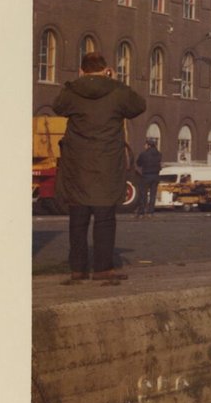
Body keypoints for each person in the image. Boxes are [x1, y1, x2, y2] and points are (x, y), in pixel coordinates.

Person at [50, 52, 146, 284]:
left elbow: (57, 106)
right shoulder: (116, 91)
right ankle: (103, 269)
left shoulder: (73, 91)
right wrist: (115, 80)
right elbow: (138, 106)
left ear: (82, 70)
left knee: (78, 219)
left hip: (78, 166)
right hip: (107, 165)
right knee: (105, 218)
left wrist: (77, 82)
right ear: (106, 69)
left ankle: (78, 270)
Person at [133, 137, 162, 218]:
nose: (144, 146)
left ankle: (141, 212)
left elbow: (138, 163)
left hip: (146, 176)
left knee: (143, 194)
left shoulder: (144, 154)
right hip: (156, 176)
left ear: (148, 145)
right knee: (153, 195)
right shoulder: (159, 154)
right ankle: (150, 212)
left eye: (145, 144)